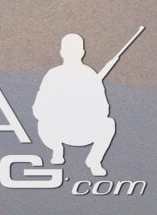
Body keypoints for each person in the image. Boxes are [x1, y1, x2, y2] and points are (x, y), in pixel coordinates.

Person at [32, 34, 118, 177]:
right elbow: (38, 108)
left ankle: (94, 160)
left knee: (108, 124)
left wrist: (84, 109)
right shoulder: (53, 75)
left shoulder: (90, 76)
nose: (72, 54)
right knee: (43, 123)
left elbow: (104, 109)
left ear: (82, 53)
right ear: (62, 53)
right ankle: (57, 150)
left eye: (75, 51)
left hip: (83, 130)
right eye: (68, 51)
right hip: (57, 131)